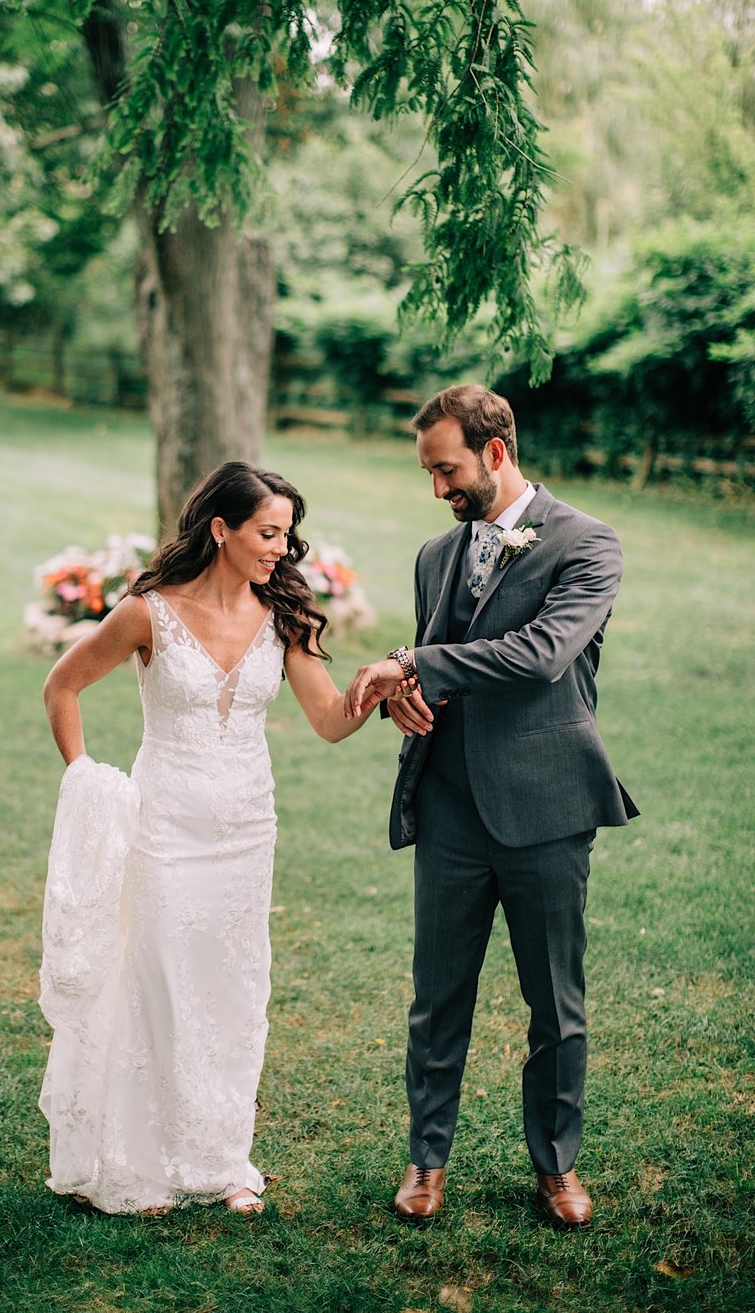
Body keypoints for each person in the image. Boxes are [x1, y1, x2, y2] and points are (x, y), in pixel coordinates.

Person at [39, 460, 373, 1216]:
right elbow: (62, 685)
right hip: (164, 827)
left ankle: (221, 1158)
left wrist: (370, 693)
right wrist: (87, 780)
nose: (281, 550)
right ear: (220, 528)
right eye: (266, 532)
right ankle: (139, 1163)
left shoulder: (287, 612)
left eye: (287, 534)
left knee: (232, 987)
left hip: (247, 831)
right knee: (159, 983)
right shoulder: (148, 612)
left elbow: (327, 718)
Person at [344, 384, 639, 1231]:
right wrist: (410, 693)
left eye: (447, 469)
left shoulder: (589, 544)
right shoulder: (437, 554)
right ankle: (425, 1160)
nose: (438, 488)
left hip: (546, 807)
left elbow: (544, 655)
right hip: (449, 807)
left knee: (556, 999)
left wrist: (414, 662)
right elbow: (438, 666)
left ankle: (556, 1165)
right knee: (437, 996)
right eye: (429, 472)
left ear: (496, 451)